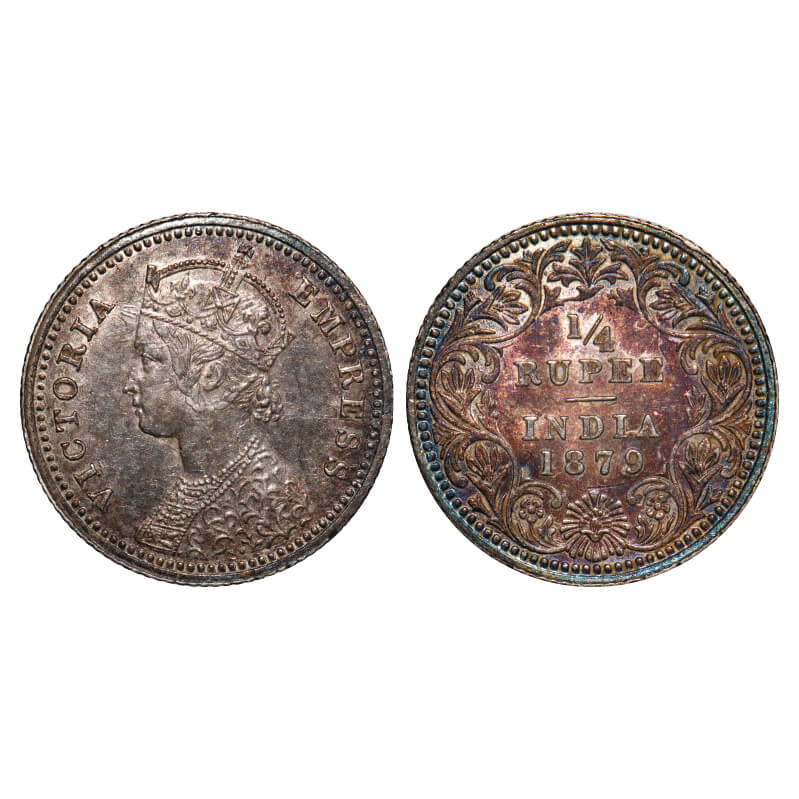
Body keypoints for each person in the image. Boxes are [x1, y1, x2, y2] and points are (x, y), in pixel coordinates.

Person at [123, 257, 312, 559]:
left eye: (148, 360)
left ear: (210, 377)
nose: (130, 382)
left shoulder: (272, 505)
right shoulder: (195, 483)